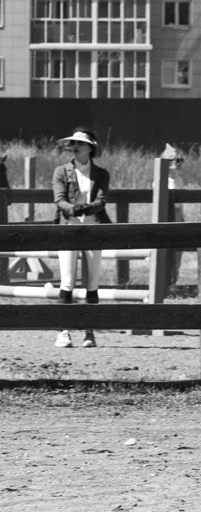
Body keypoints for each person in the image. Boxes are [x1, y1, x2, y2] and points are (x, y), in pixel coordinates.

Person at [51, 127, 111, 349]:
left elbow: (102, 200)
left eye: (80, 144)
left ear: (90, 148)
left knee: (92, 282)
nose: (75, 147)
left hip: (94, 228)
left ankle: (89, 332)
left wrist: (85, 208)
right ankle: (63, 331)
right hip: (68, 227)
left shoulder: (101, 173)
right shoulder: (61, 171)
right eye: (73, 144)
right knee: (67, 280)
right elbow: (59, 199)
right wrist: (73, 210)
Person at [161, 143, 185, 291]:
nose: (177, 165)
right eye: (174, 161)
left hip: (178, 216)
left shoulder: (179, 180)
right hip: (166, 216)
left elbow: (181, 203)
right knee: (166, 252)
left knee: (178, 252)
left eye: (179, 161)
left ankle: (174, 282)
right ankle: (165, 283)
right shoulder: (161, 180)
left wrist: (182, 217)